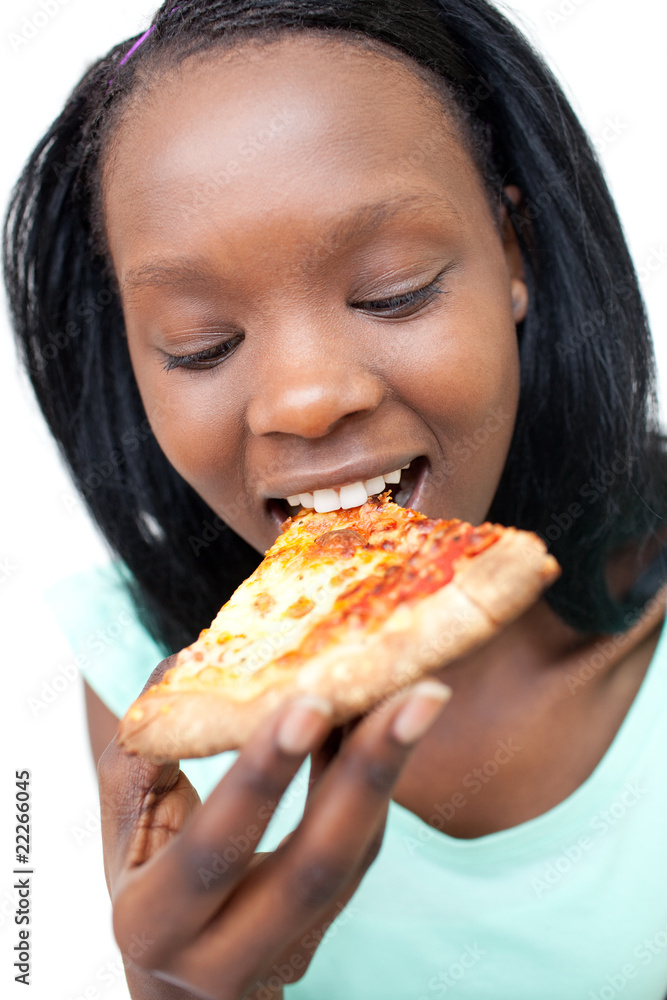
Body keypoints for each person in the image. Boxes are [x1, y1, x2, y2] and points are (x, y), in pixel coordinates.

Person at [4, 0, 667, 997]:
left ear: (512, 252)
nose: (307, 401)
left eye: (393, 289)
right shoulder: (154, 677)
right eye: (200, 345)